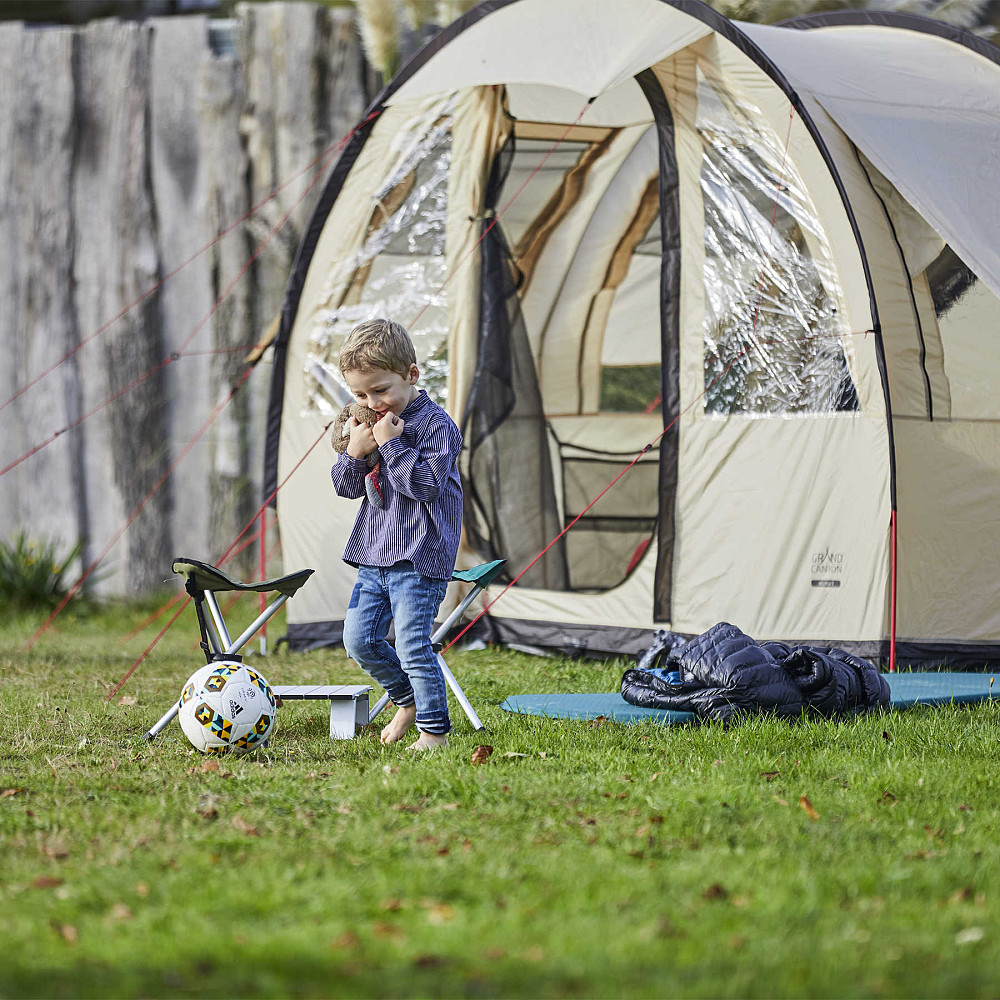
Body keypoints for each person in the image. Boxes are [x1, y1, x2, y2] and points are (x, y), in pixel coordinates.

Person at [331, 318, 463, 750]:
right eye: (360, 395)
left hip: (420, 558)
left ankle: (434, 732)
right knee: (359, 640)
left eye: (381, 390)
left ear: (411, 374)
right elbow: (347, 488)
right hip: (375, 555)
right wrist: (356, 452)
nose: (373, 403)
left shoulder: (436, 427)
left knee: (412, 644)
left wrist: (390, 445)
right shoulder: (367, 428)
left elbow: (424, 486)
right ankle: (406, 699)